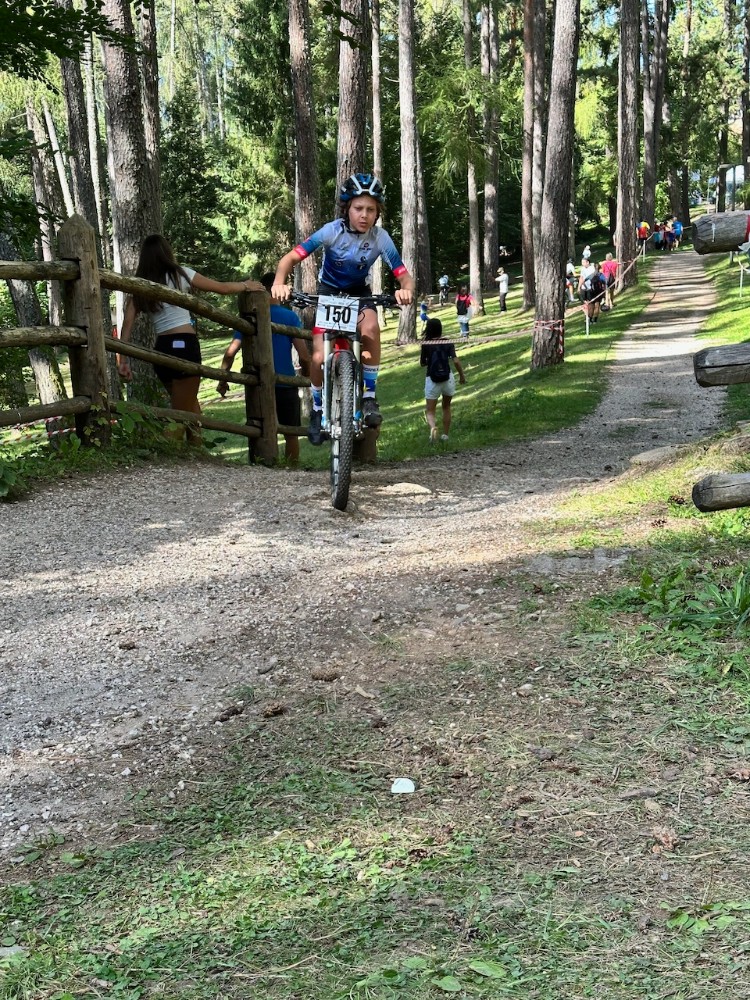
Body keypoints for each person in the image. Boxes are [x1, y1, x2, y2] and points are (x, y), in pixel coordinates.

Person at [272, 172, 414, 445]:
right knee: (318, 357)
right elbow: (289, 259)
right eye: (358, 208)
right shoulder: (331, 231)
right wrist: (279, 283)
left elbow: (403, 275)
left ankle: (369, 397)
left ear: (378, 212)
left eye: (371, 209)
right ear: (347, 208)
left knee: (371, 328)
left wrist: (405, 289)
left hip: (359, 294)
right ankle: (317, 409)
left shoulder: (380, 238)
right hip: (329, 293)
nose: (364, 215)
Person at [117, 234, 264, 444]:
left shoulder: (140, 287)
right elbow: (221, 288)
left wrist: (122, 361)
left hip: (162, 350)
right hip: (184, 346)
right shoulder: (180, 274)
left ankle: (195, 453)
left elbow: (126, 326)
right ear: (166, 253)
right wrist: (246, 285)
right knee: (181, 416)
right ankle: (160, 453)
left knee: (191, 408)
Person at [216, 273, 311, 465]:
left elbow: (230, 353)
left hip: (257, 385)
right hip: (286, 383)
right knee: (291, 433)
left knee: (260, 428)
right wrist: (305, 375)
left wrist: (223, 380)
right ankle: (292, 468)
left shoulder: (249, 318)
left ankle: (262, 463)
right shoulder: (290, 317)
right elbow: (303, 355)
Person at [420, 318, 465, 443]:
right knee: (446, 407)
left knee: (430, 410)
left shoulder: (426, 343)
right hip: (447, 378)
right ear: (440, 328)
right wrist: (462, 376)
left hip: (432, 379)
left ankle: (433, 428)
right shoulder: (447, 342)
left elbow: (423, 363)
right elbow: (456, 360)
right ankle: (445, 435)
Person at [578, 256, 597, 322]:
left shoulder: (592, 268)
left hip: (590, 288)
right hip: (583, 288)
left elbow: (592, 277)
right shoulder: (582, 269)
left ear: (587, 262)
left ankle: (590, 317)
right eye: (582, 262)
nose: (582, 264)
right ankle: (587, 316)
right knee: (584, 302)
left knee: (591, 302)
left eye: (583, 262)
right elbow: (581, 277)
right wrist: (579, 287)